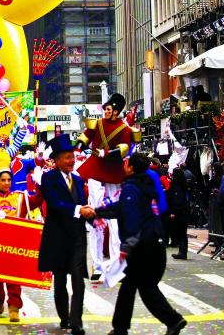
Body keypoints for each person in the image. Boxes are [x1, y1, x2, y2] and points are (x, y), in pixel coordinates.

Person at [97, 153, 187, 335]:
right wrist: (97, 212)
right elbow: (122, 208)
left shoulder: (131, 188)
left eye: (126, 163)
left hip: (143, 246)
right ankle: (121, 328)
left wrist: (127, 246)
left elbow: (132, 218)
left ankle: (172, 320)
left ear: (131, 168)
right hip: (154, 242)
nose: (123, 166)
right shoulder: (145, 185)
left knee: (144, 288)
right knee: (131, 287)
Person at [76, 93, 141, 278]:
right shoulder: (97, 124)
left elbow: (124, 149)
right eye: (105, 108)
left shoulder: (125, 129)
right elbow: (85, 137)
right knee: (94, 216)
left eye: (109, 109)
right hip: (95, 170)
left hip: (113, 173)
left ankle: (115, 266)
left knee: (114, 222)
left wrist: (107, 153)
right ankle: (97, 267)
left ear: (116, 111)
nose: (106, 111)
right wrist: (79, 146)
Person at [38, 134, 94, 335]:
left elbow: (83, 204)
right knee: (60, 279)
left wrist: (95, 218)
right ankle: (64, 318)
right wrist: (79, 210)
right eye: (68, 157)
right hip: (58, 237)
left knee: (78, 279)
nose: (72, 161)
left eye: (73, 157)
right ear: (57, 159)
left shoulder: (78, 180)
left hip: (77, 236)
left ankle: (76, 322)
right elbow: (55, 204)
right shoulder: (48, 178)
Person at [0, 149, 41, 322]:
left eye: (8, 180)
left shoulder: (20, 198)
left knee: (14, 280)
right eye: (3, 180)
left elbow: (37, 201)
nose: (6, 183)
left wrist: (41, 185)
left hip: (15, 246)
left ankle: (14, 307)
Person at [166, 168, 190, 260]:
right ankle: (182, 251)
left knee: (181, 232)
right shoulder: (184, 185)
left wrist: (173, 212)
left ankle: (182, 252)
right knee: (183, 232)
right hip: (184, 211)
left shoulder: (177, 186)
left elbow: (177, 200)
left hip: (179, 212)